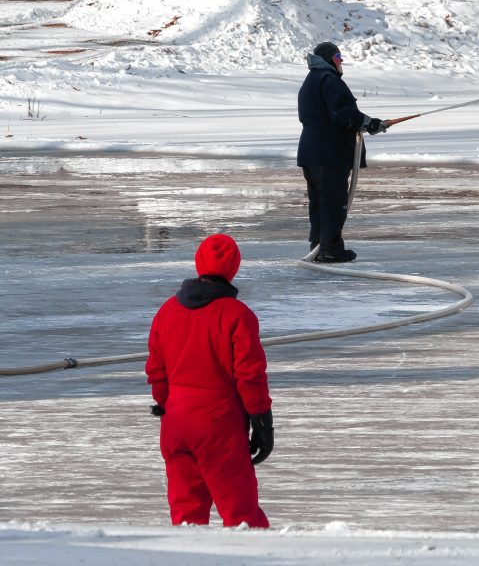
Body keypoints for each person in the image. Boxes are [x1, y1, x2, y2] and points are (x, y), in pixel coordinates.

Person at [145, 233, 274, 528]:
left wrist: (170, 405)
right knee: (242, 516)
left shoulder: (166, 311)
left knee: (186, 516)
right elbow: (250, 375)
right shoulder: (237, 315)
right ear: (234, 268)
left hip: (176, 423)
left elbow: (156, 369)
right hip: (219, 424)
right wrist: (262, 422)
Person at [297, 41, 387, 263]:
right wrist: (370, 123)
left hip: (312, 153)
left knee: (319, 202)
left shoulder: (311, 81)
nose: (341, 61)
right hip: (329, 154)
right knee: (333, 203)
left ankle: (319, 245)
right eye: (338, 57)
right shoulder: (329, 81)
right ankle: (331, 249)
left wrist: (367, 123)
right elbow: (345, 116)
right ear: (328, 60)